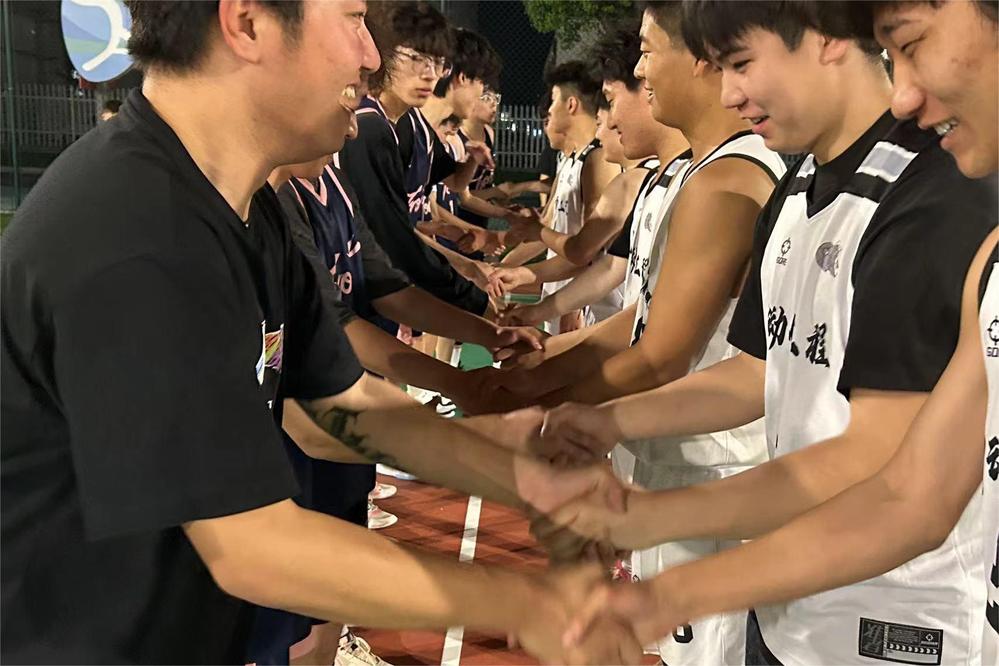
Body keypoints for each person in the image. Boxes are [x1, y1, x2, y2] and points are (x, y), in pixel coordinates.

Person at [0, 2, 643, 663]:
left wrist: (526, 479)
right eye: (351, 19)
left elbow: (334, 406)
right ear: (247, 24)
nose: (370, 56)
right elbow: (251, 548)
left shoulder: (244, 207)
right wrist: (526, 603)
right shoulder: (135, 237)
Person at [538, 1, 997, 664]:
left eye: (740, 62)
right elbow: (762, 370)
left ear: (825, 38)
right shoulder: (799, 182)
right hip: (791, 595)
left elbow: (883, 470)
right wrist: (607, 426)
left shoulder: (937, 194)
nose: (729, 93)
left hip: (894, 618)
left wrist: (659, 547)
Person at [499, 61, 620, 335]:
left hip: (591, 302)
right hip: (562, 288)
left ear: (571, 104)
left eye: (554, 101)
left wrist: (574, 306)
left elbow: (591, 249)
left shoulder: (598, 160)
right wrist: (505, 267)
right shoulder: (570, 160)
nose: (550, 111)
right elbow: (547, 228)